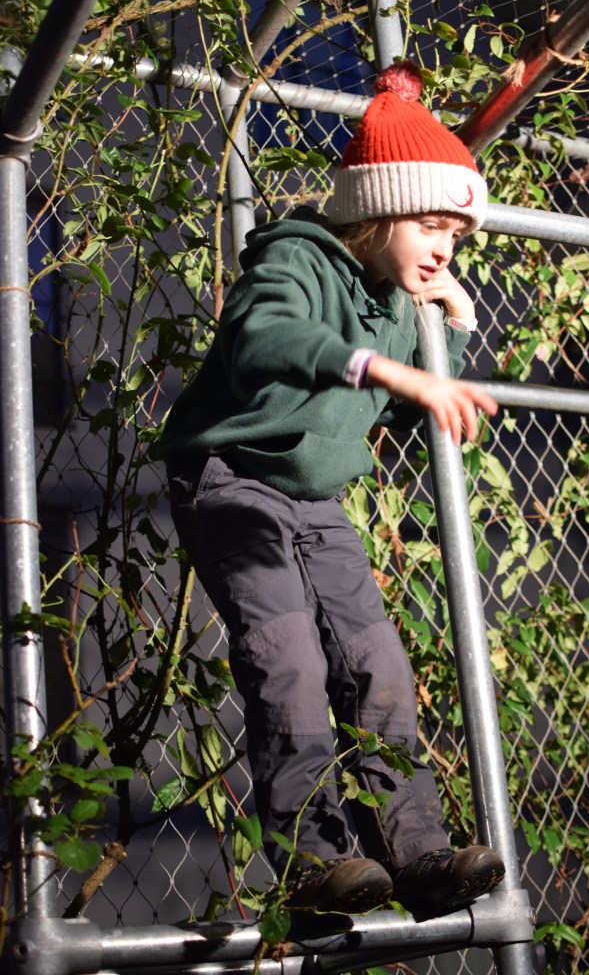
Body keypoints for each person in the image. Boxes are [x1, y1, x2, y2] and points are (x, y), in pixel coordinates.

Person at [160, 60, 505, 916]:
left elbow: (409, 410)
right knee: (288, 662)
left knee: (376, 663)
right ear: (375, 212)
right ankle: (313, 861)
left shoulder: (402, 301)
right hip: (232, 478)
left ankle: (417, 853)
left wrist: (455, 330)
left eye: (456, 235)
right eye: (429, 225)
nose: (443, 248)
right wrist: (380, 366)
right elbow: (262, 338)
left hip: (315, 500)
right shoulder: (296, 257)